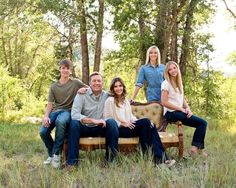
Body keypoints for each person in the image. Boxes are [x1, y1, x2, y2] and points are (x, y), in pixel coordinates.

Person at [104, 77, 176, 167]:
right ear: (112, 89)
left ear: (123, 87)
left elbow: (131, 117)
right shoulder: (109, 101)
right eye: (116, 86)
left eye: (120, 86)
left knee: (150, 125)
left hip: (129, 127)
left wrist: (143, 122)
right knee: (146, 123)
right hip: (118, 130)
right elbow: (107, 119)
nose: (118, 88)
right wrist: (122, 124)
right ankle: (159, 159)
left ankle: (160, 160)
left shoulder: (125, 101)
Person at [39, 59, 87, 168]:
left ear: (71, 70)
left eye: (68, 68)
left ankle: (56, 155)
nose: (65, 70)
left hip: (68, 111)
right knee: (43, 132)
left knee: (61, 121)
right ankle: (52, 154)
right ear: (60, 69)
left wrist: (82, 89)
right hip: (55, 111)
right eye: (63, 68)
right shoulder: (54, 86)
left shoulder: (75, 82)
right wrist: (46, 116)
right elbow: (50, 104)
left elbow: (89, 89)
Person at [66, 72, 119, 166]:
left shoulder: (108, 95)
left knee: (111, 122)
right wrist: (93, 120)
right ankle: (72, 164)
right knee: (74, 123)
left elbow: (120, 95)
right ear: (89, 83)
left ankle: (111, 161)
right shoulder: (81, 94)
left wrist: (131, 100)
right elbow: (74, 114)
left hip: (100, 128)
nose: (96, 83)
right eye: (94, 81)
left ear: (102, 83)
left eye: (99, 81)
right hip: (84, 127)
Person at [161, 61, 208, 157]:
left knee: (202, 123)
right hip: (171, 113)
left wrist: (188, 109)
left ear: (177, 68)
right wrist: (181, 109)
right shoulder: (166, 83)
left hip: (178, 111)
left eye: (174, 68)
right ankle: (195, 149)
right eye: (170, 69)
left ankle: (198, 149)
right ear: (167, 72)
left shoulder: (178, 83)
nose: (173, 70)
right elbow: (164, 102)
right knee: (202, 123)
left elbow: (182, 99)